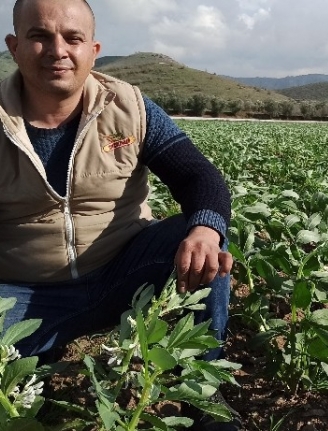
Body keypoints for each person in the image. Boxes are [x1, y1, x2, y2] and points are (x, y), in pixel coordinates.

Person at [1, 0, 241, 429]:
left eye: (73, 38)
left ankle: (200, 395)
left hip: (122, 271)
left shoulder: (129, 106)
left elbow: (199, 176)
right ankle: (37, 355)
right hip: (22, 289)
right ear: (14, 47)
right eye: (40, 37)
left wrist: (205, 229)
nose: (58, 50)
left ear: (94, 50)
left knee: (204, 236)